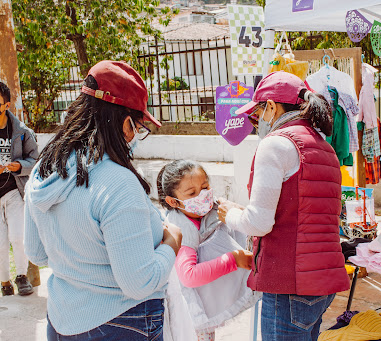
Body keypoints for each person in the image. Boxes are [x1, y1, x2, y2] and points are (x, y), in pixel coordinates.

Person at [24, 60, 182, 340]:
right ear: (125, 123)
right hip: (122, 323)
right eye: (139, 128)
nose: (136, 138)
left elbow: (37, 254)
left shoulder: (43, 170)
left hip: (63, 322)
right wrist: (172, 243)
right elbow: (139, 282)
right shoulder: (118, 183)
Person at [217, 71, 351, 341]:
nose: (258, 123)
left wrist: (230, 214)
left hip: (290, 284)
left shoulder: (276, 145)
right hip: (321, 281)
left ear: (271, 107)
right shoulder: (325, 148)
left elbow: (259, 223)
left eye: (258, 115)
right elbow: (298, 213)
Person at [157, 160, 260, 341]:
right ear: (173, 201)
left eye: (205, 187)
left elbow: (248, 222)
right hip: (192, 318)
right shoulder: (181, 229)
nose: (202, 196)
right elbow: (189, 276)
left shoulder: (213, 209)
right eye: (192, 193)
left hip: (209, 301)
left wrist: (236, 212)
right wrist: (233, 260)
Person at [0, 81, 38, 296]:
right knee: (0, 243)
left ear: (6, 106)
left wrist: (19, 166)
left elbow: (34, 160)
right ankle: (5, 283)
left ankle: (22, 276)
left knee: (17, 236)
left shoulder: (21, 131)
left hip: (15, 190)